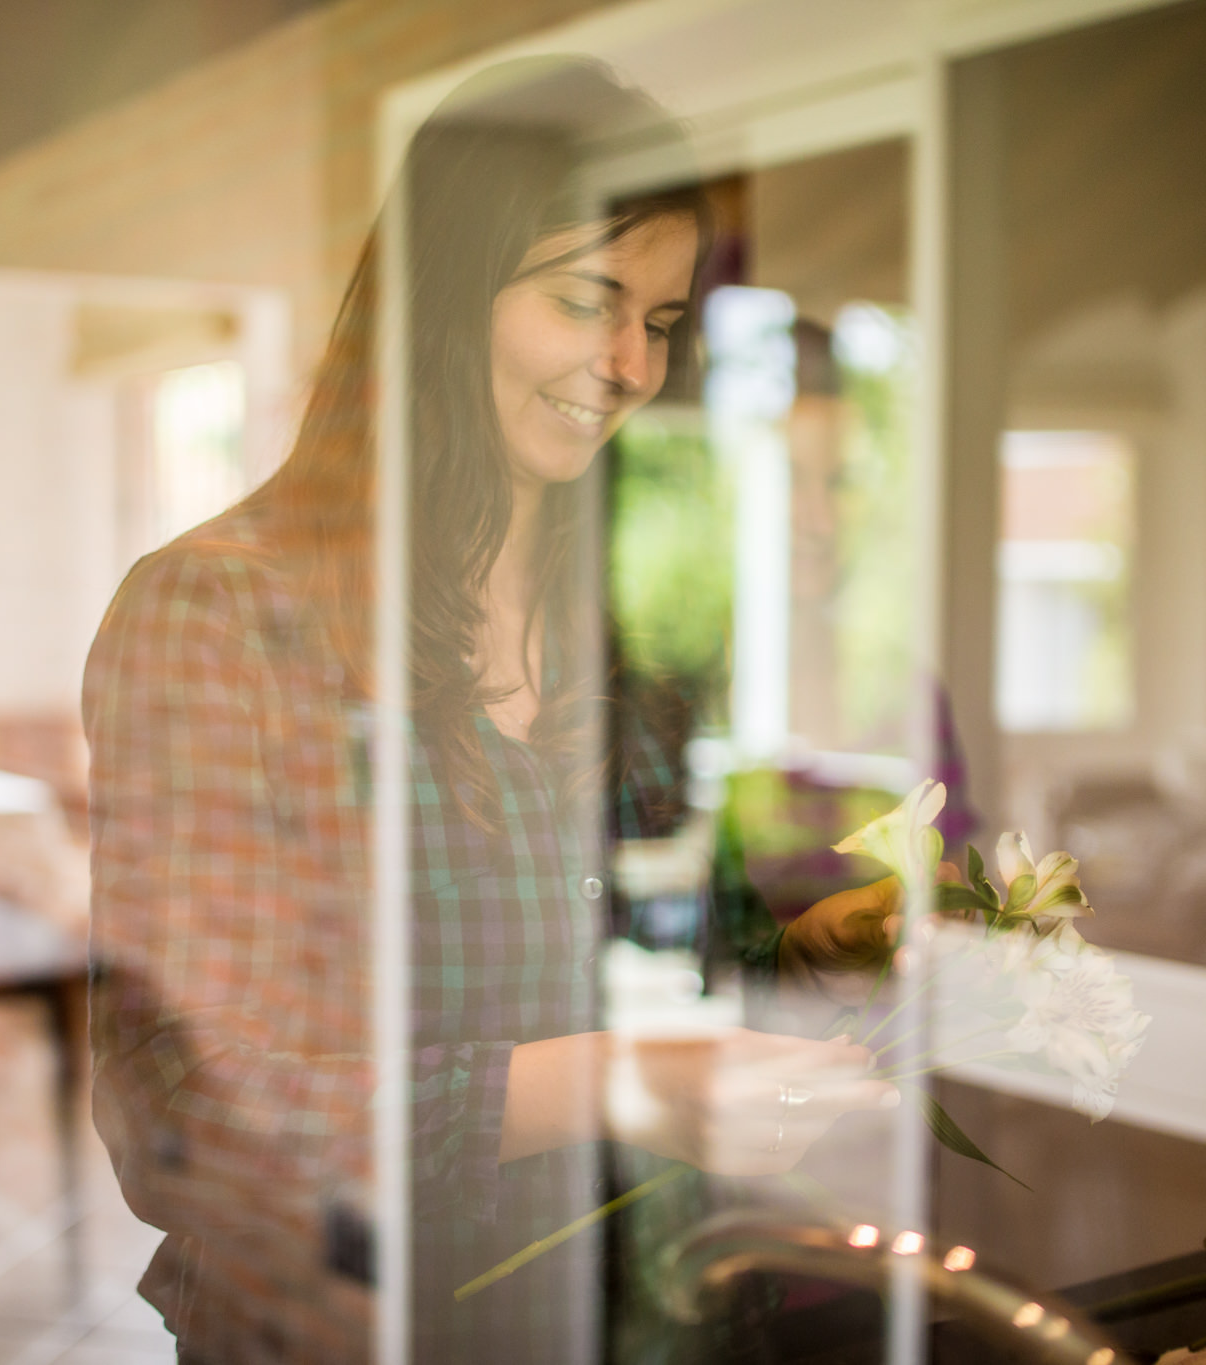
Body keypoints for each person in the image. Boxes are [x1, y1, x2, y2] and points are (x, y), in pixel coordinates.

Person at [84, 57, 900, 1365]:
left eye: (665, 320)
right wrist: (620, 1082)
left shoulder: (602, 619)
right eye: (587, 300)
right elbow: (181, 1111)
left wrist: (818, 949)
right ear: (451, 288)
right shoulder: (222, 611)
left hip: (581, 1310)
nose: (629, 363)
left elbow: (635, 940)